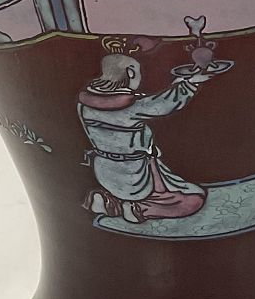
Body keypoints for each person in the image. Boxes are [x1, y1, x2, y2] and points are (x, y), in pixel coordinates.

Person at [79, 38, 222, 222]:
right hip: (135, 174)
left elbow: (146, 101)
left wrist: (178, 82)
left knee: (169, 192)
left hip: (103, 170)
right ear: (130, 73)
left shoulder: (85, 105)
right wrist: (189, 85)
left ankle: (111, 203)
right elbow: (163, 104)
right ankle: (137, 209)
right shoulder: (129, 108)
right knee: (193, 200)